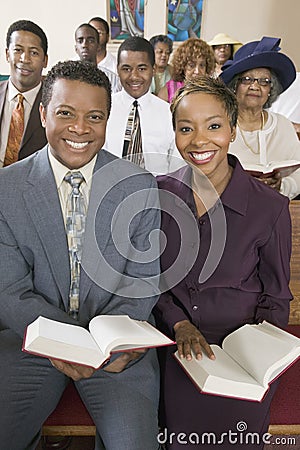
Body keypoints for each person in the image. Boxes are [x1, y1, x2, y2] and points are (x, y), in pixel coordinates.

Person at [0, 60, 161, 450]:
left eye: (94, 116)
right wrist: (66, 342)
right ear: (43, 113)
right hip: (32, 342)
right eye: (65, 113)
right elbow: (10, 291)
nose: (80, 128)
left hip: (118, 351)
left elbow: (142, 279)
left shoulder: (137, 185)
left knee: (134, 444)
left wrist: (111, 344)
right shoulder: (7, 188)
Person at [154, 76, 292, 450]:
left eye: (213, 126)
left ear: (232, 130)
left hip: (244, 353)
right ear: (175, 134)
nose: (200, 141)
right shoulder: (157, 194)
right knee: (180, 437)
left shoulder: (270, 208)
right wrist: (179, 324)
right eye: (186, 129)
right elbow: (151, 281)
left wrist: (256, 358)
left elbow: (277, 297)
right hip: (175, 345)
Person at [220, 36, 300, 199]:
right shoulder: (220, 126)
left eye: (264, 81)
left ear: (271, 89)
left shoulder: (282, 126)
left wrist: (282, 186)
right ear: (235, 85)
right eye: (247, 79)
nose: (255, 86)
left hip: (277, 211)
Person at [105, 36, 184, 175]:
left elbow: (176, 167)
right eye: (126, 69)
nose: (134, 76)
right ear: (117, 70)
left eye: (142, 69)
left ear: (153, 70)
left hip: (156, 192)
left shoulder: (168, 114)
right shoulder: (105, 110)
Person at [0, 19, 48, 166]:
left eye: (33, 52)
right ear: (8, 54)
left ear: (45, 60)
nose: (25, 59)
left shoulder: (55, 103)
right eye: (18, 50)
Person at [157, 38, 214, 103]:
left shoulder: (211, 91)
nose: (197, 71)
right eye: (191, 65)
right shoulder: (169, 89)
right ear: (182, 66)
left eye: (202, 65)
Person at [74, 23, 121, 93]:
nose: (84, 45)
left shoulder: (112, 79)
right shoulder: (68, 78)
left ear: (98, 47)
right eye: (80, 41)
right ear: (76, 48)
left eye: (90, 41)